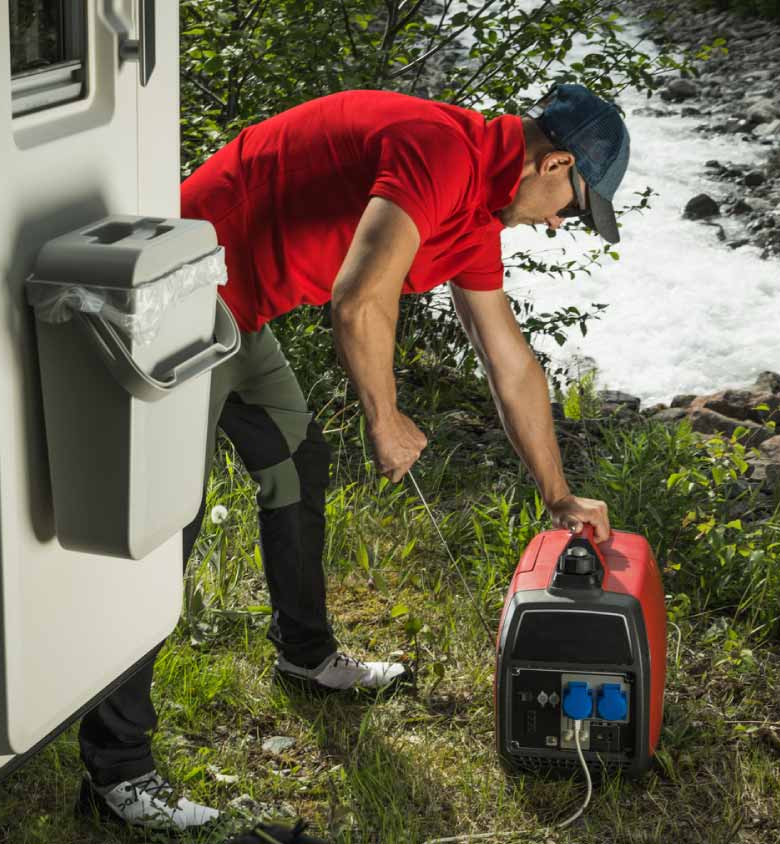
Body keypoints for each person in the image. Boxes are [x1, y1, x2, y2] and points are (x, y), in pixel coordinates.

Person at [76, 83, 629, 832]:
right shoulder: (442, 150)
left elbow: (511, 364)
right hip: (183, 289)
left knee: (297, 458)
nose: (564, 224)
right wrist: (386, 415)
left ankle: (306, 657)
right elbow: (359, 299)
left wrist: (559, 494)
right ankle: (119, 776)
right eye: (574, 205)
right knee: (166, 524)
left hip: (239, 308)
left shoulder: (475, 212)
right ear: (555, 161)